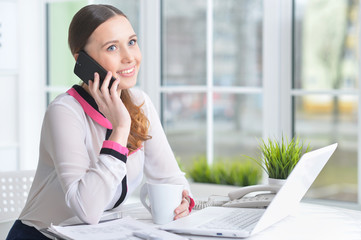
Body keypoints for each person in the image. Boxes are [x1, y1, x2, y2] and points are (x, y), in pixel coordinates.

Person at [6, 4, 194, 240]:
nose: (129, 57)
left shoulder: (140, 102)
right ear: (82, 60)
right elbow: (87, 209)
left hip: (98, 233)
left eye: (132, 42)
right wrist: (121, 128)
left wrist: (183, 200)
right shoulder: (64, 112)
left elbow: (169, 177)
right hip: (42, 235)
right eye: (112, 47)